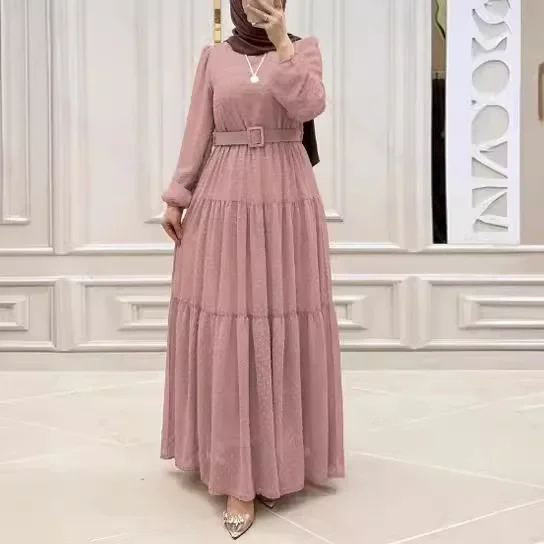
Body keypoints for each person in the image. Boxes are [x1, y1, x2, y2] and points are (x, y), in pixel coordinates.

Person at [160, 0, 345, 538]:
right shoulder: (214, 57)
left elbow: (309, 104)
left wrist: (284, 42)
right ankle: (235, 471)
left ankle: (284, 458)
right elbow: (198, 129)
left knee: (282, 327)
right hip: (224, 197)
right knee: (232, 328)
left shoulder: (304, 50)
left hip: (287, 197)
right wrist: (177, 196)